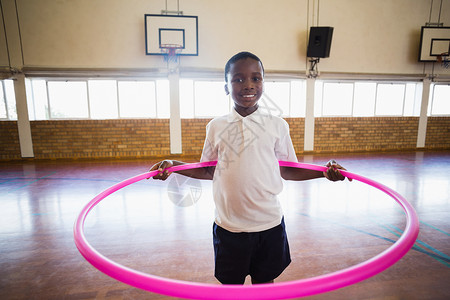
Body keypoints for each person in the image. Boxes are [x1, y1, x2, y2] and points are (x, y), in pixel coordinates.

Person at [150, 51, 350, 285]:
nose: (248, 85)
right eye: (238, 79)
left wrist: (325, 172)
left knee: (265, 285)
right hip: (229, 228)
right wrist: (174, 166)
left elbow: (289, 170)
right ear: (226, 86)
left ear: (263, 82)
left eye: (256, 78)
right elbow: (207, 170)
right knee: (231, 287)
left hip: (269, 225)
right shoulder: (216, 127)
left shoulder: (277, 125)